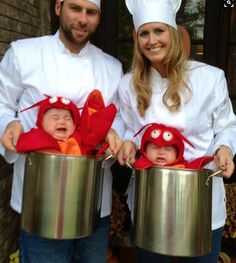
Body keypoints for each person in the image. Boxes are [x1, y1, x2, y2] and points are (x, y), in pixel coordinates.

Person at [0, 0, 123, 262]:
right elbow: (2, 102)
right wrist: (9, 123)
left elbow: (119, 116)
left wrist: (115, 132)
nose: (83, 19)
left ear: (99, 18)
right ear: (58, 8)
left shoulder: (112, 67)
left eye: (91, 12)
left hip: (93, 201)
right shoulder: (24, 53)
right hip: (40, 199)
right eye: (75, 9)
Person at [117, 0, 236, 262]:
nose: (152, 41)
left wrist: (225, 148)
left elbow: (227, 125)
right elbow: (127, 126)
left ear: (172, 32)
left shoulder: (209, 78)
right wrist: (126, 141)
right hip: (151, 204)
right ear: (137, 40)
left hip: (199, 206)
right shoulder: (128, 85)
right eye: (144, 34)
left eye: (159, 31)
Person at [16, 90, 117, 155]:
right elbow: (23, 142)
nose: (62, 121)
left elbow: (94, 134)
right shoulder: (36, 135)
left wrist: (108, 148)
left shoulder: (79, 140)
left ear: (74, 124)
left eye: (67, 118)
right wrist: (50, 150)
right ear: (41, 123)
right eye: (55, 118)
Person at [134, 122, 213, 170]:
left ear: (178, 154)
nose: (161, 152)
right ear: (144, 151)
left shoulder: (182, 166)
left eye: (168, 149)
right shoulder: (143, 167)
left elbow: (193, 167)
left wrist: (203, 161)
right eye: (155, 147)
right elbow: (139, 164)